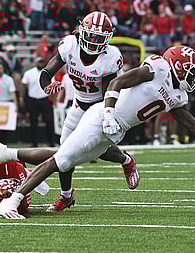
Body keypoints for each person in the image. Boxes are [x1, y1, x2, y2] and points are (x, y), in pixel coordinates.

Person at [0, 45, 195, 219]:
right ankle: (12, 200)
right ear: (175, 65)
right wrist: (107, 113)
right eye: (190, 70)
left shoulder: (178, 95)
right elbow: (118, 81)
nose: (193, 76)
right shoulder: (157, 67)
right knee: (60, 160)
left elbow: (194, 127)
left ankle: (6, 156)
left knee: (65, 161)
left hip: (115, 131)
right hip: (102, 117)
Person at [36, 11, 138, 212]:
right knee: (65, 151)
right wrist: (47, 86)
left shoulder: (111, 57)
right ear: (82, 30)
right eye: (90, 36)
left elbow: (109, 92)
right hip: (78, 105)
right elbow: (46, 73)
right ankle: (66, 196)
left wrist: (105, 116)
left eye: (98, 39)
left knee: (94, 150)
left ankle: (126, 160)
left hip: (100, 107)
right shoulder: (69, 45)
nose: (92, 42)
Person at [21, 57, 56, 148]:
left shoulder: (49, 73)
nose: (40, 63)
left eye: (42, 62)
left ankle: (51, 141)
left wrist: (54, 99)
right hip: (32, 99)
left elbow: (54, 86)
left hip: (45, 98)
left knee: (49, 121)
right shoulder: (29, 73)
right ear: (36, 62)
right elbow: (24, 86)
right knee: (33, 122)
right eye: (39, 61)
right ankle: (34, 143)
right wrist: (22, 98)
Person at [0, 62, 18, 143]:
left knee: (5, 125)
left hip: (6, 103)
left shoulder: (9, 79)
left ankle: (3, 142)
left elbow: (12, 92)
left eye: (0, 68)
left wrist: (15, 105)